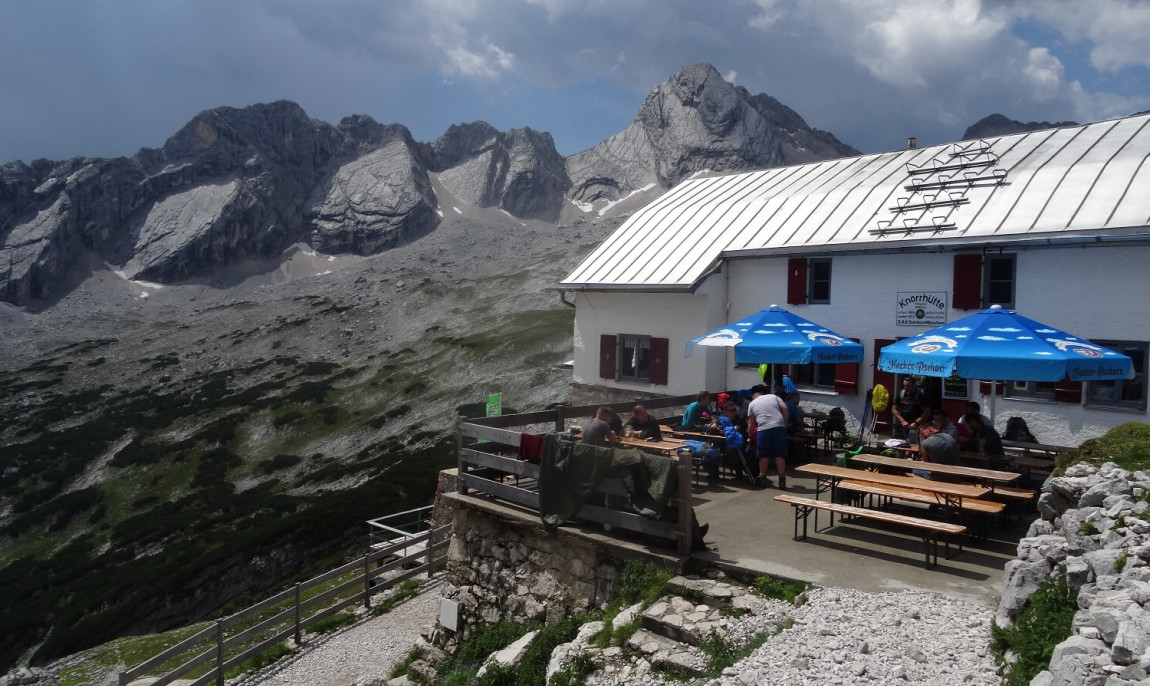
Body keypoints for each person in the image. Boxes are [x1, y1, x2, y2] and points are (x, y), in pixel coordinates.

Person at [748, 384, 789, 489]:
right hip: (778, 427)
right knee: (779, 455)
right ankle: (782, 481)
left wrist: (750, 436)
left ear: (753, 395)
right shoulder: (774, 397)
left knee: (764, 455)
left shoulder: (752, 404)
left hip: (763, 429)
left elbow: (751, 423)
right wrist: (784, 423)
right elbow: (785, 408)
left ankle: (763, 480)